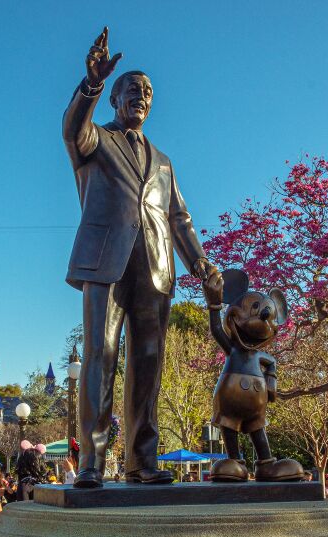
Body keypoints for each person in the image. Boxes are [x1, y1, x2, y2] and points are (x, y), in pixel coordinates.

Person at [63, 28, 220, 488]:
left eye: (148, 92)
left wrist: (202, 265)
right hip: (105, 261)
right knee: (100, 356)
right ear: (114, 97)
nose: (142, 96)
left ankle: (141, 461)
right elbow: (72, 129)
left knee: (148, 362)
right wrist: (89, 82)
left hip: (155, 267)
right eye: (133, 88)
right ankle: (91, 463)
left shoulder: (165, 162)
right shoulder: (95, 140)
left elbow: (180, 220)